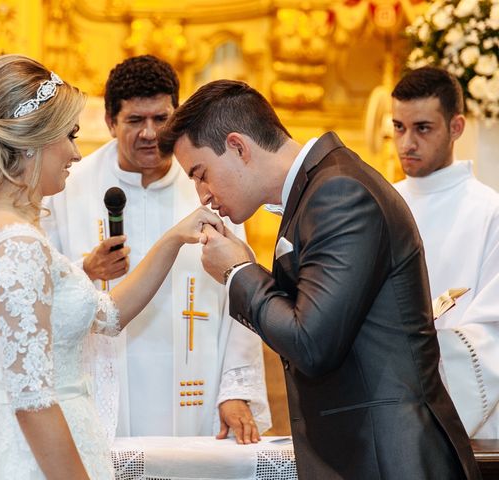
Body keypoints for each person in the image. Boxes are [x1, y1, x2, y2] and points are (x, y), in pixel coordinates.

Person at [0, 54, 222, 480]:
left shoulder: (1, 232)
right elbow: (33, 402)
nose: (74, 152)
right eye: (67, 136)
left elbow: (108, 316)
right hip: (36, 462)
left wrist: (174, 238)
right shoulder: (16, 246)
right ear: (32, 142)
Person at [157, 79, 481, 479]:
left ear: (239, 147)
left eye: (201, 173)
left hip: (389, 458)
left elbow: (312, 344)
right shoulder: (316, 190)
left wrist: (238, 272)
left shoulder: (338, 192)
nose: (202, 194)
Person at [43, 55, 270, 441]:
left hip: (198, 385)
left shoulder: (211, 183)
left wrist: (236, 390)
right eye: (135, 120)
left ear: (176, 115)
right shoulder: (68, 187)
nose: (149, 133)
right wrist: (86, 268)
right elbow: (39, 289)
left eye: (160, 118)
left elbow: (242, 286)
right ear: (111, 122)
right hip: (100, 381)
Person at [391, 66, 499, 439]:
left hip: (465, 424)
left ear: (456, 127)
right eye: (398, 127)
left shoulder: (490, 212)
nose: (407, 143)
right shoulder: (380, 205)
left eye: (423, 128)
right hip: (385, 407)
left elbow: (494, 332)